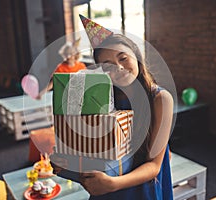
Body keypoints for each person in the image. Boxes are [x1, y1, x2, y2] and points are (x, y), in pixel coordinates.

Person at [78, 16, 174, 200]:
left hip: (139, 188)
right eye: (108, 66)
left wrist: (112, 184)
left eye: (123, 58)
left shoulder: (160, 99)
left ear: (137, 57)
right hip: (106, 183)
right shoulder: (101, 98)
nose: (119, 68)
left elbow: (154, 166)